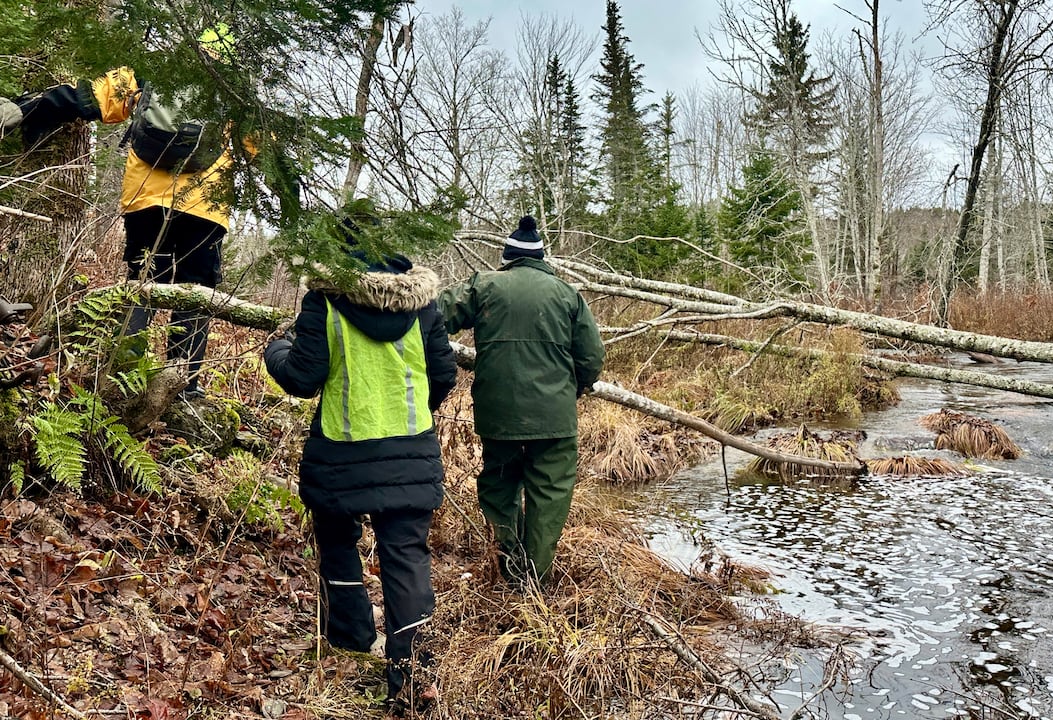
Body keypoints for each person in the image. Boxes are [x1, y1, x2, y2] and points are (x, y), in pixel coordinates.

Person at [264, 212, 457, 712]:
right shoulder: (424, 307)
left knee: (336, 541)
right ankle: (411, 675)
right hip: (410, 453)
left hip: (340, 454)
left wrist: (276, 349)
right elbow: (443, 377)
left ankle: (350, 638)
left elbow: (302, 378)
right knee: (406, 557)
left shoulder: (325, 300)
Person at [1, 24, 256, 397]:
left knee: (141, 284)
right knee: (197, 295)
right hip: (205, 207)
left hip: (144, 199)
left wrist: (24, 107)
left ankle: (122, 377)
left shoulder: (150, 71)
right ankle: (182, 389)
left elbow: (86, 98)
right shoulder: (236, 90)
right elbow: (259, 151)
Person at [436, 215, 605, 587]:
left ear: (508, 256)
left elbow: (435, 315)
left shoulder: (483, 285)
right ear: (542, 257)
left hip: (499, 414)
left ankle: (509, 564)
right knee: (550, 494)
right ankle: (534, 579)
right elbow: (591, 358)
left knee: (500, 484)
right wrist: (572, 389)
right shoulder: (566, 294)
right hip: (554, 417)